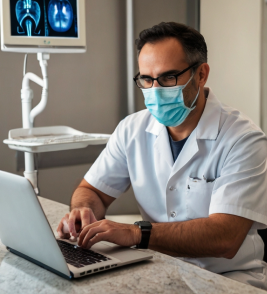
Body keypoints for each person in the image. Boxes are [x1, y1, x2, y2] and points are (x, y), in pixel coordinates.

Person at [57, 22, 267, 289]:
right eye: (146, 79)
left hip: (227, 279)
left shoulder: (243, 139)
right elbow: (93, 191)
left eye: (168, 77)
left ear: (201, 74)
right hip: (157, 269)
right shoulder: (132, 129)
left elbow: (225, 238)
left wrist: (135, 233)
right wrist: (83, 211)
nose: (155, 90)